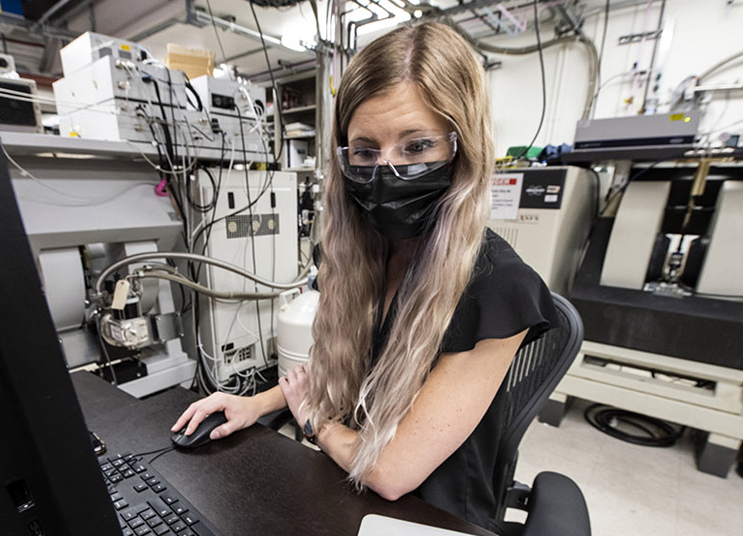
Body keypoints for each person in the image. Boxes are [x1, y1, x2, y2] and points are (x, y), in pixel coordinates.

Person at [172, 21, 557, 532]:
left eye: (416, 147)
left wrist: (313, 424)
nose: (386, 172)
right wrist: (254, 405)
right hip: (347, 480)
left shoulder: (497, 288)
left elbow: (393, 472)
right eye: (366, 151)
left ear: (462, 147)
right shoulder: (366, 254)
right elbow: (335, 382)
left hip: (429, 516)